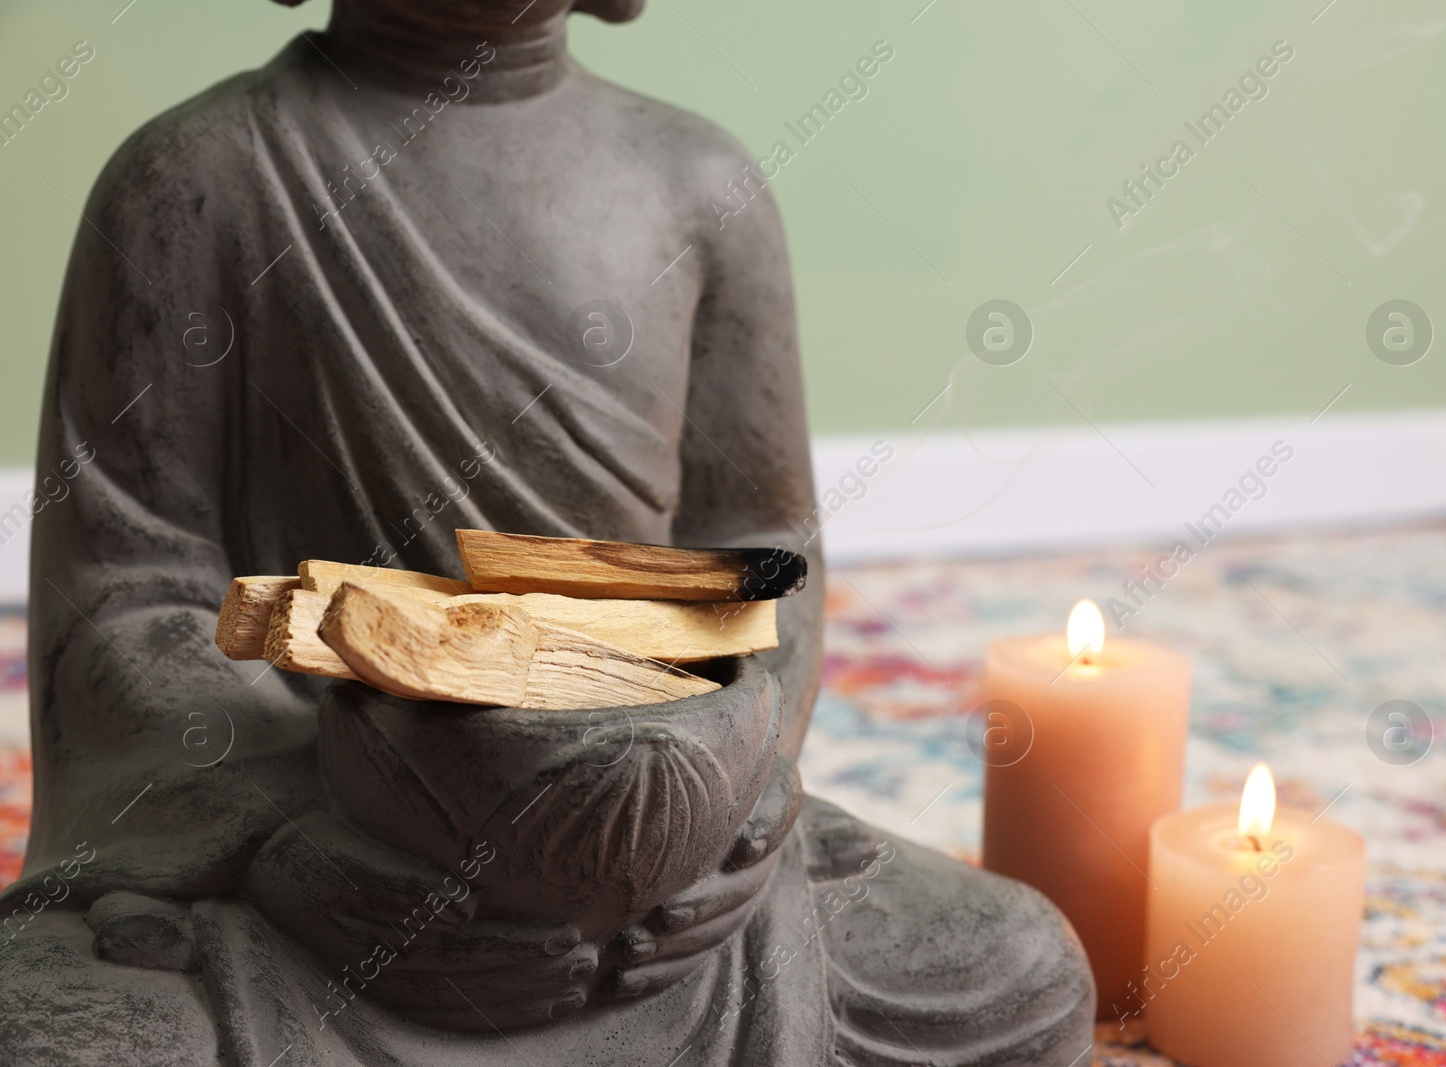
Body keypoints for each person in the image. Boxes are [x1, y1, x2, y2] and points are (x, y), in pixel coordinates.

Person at [0, 1, 1091, 1062]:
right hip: (327, 835)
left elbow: (758, 546)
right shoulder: (195, 174)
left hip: (658, 850)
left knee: (1013, 967)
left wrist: (738, 807)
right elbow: (131, 591)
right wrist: (298, 847)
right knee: (65, 1035)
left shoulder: (698, 182)